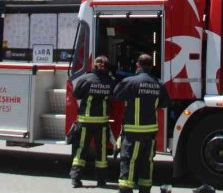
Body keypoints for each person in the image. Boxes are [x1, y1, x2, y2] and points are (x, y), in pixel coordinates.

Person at [113, 54, 170, 193]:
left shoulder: (129, 82)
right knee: (147, 163)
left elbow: (116, 95)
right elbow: (165, 103)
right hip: (150, 133)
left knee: (129, 161)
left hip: (133, 132)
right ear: (151, 66)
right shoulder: (159, 84)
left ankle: (126, 189)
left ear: (138, 65)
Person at [70, 55, 115, 188]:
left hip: (85, 121)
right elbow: (114, 95)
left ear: (94, 65)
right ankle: (101, 180)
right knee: (101, 152)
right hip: (102, 123)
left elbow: (76, 94)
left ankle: (75, 179)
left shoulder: (85, 79)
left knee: (81, 149)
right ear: (107, 67)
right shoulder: (110, 81)